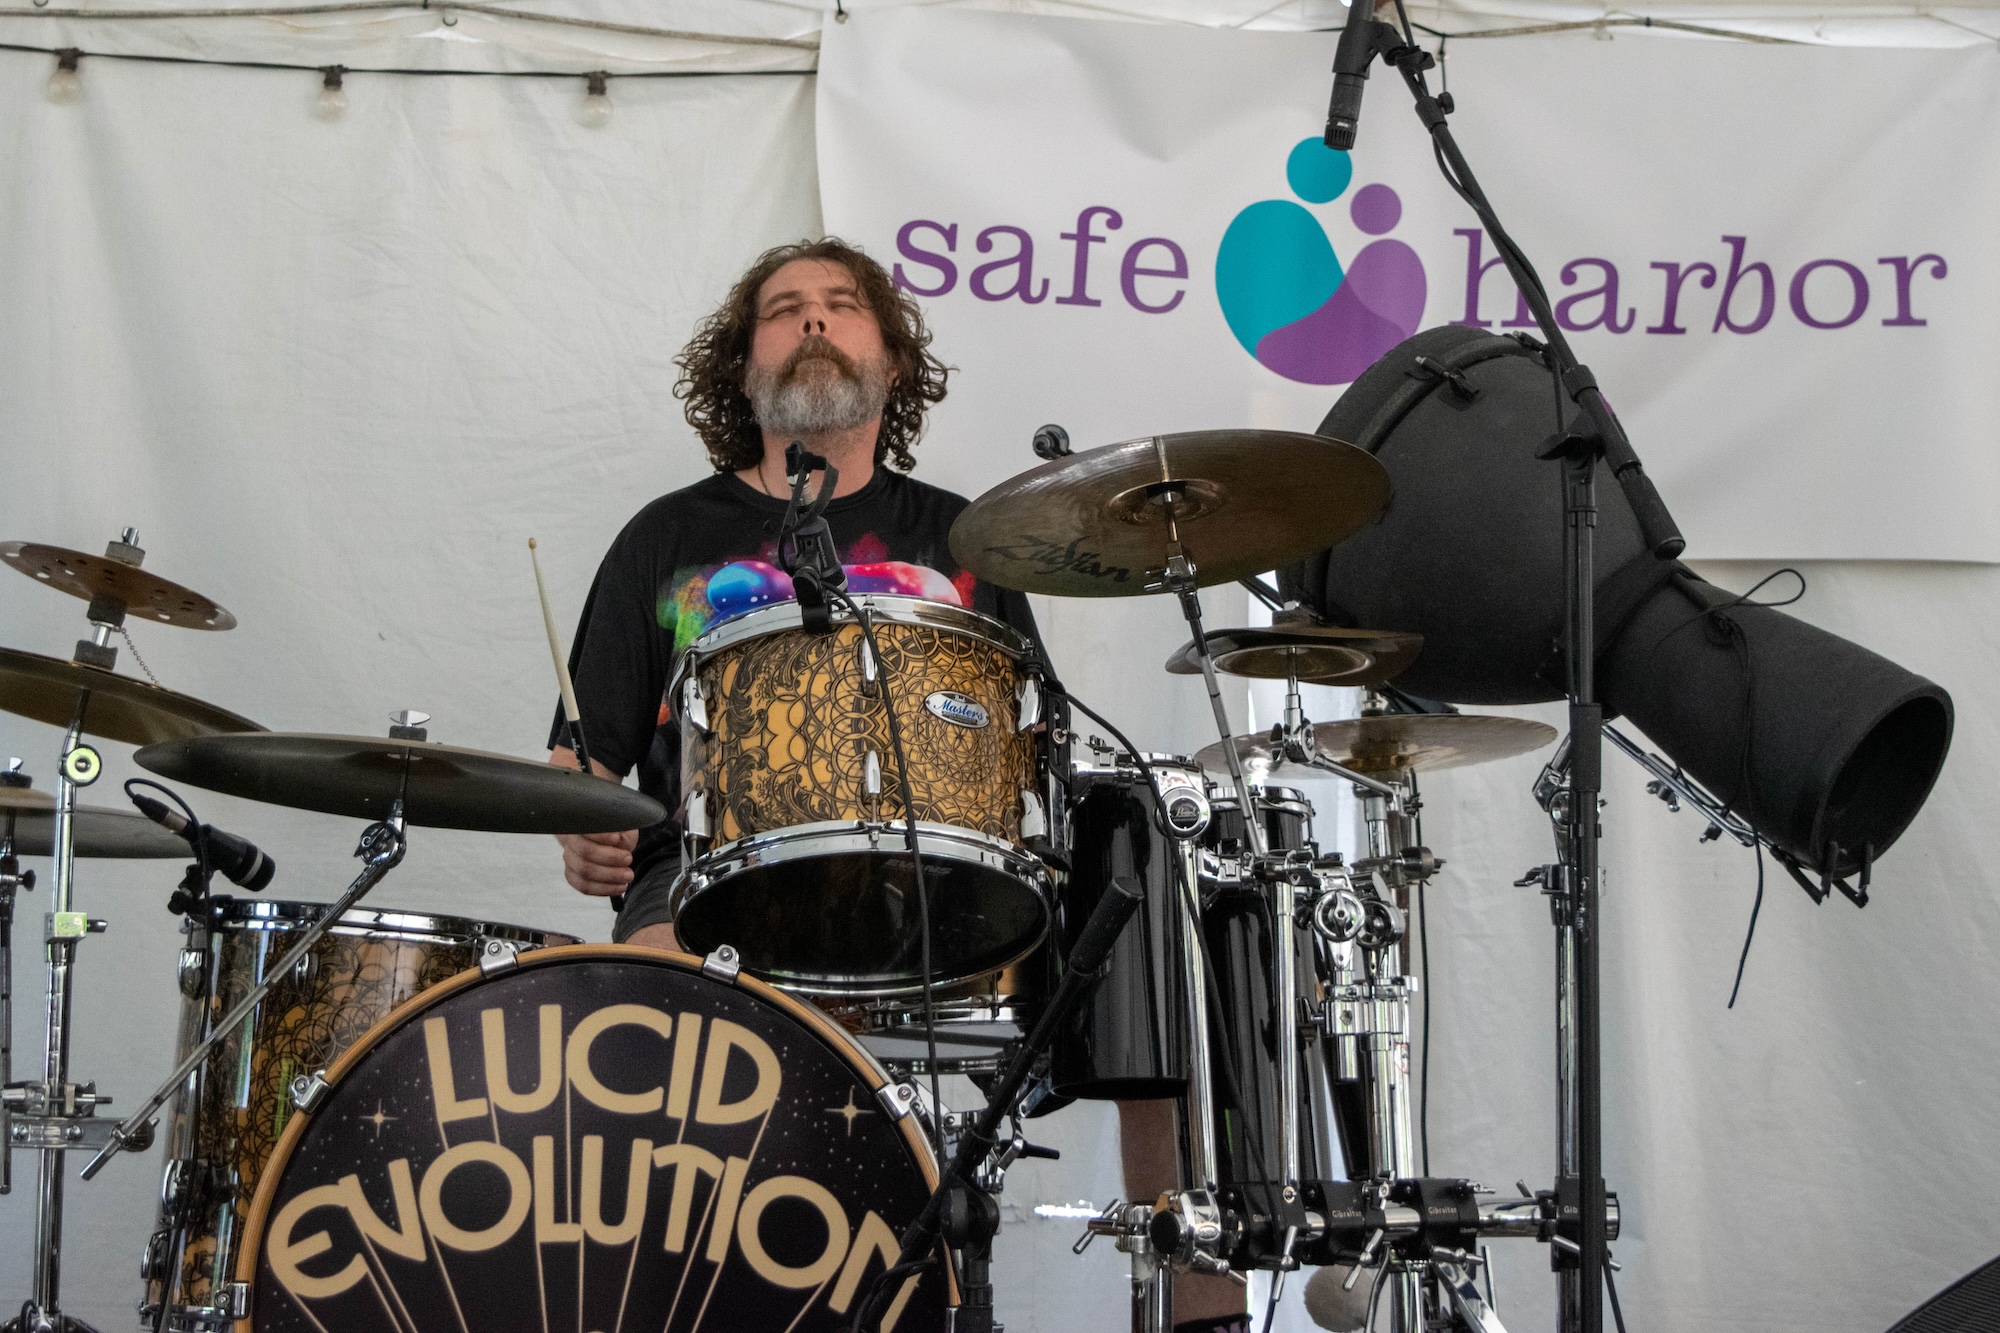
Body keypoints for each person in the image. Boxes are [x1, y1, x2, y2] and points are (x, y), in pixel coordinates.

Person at [547, 237, 1038, 950]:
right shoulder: (665, 535)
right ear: (744, 375)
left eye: (842, 306)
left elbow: (1034, 744)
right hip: (703, 869)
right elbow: (580, 759)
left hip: (931, 874)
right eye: (785, 309)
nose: (814, 320)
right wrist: (585, 829)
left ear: (894, 364)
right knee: (649, 1000)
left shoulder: (964, 539)